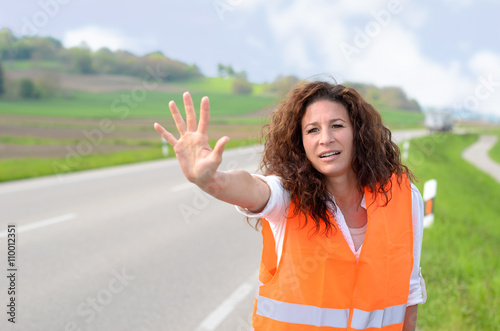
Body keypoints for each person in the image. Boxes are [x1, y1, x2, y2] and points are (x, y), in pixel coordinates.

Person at [154, 80, 426, 331]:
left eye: (337, 125)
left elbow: (408, 292)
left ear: (359, 132)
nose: (325, 138)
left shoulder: (403, 197)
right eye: (312, 130)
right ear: (301, 143)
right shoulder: (286, 195)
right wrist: (211, 180)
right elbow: (252, 189)